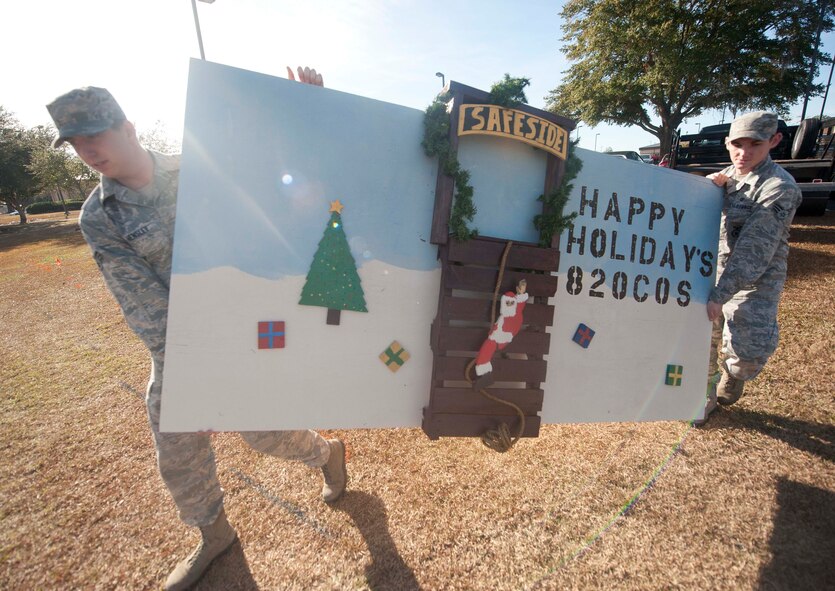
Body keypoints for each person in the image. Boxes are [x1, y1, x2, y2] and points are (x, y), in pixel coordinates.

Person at [46, 67, 346, 591]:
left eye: (95, 135)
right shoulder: (100, 216)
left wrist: (307, 114)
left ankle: (326, 453)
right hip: (181, 343)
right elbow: (141, 302)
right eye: (75, 143)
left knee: (262, 432)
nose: (88, 150)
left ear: (129, 127)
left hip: (249, 323)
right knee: (172, 431)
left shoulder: (203, 168)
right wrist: (198, 378)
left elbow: (281, 182)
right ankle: (214, 534)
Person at [700, 111, 802, 421]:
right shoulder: (727, 177)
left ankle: (735, 375)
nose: (743, 154)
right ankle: (703, 394)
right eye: (737, 145)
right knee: (702, 338)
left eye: (755, 145)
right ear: (727, 142)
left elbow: (754, 252)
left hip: (754, 282)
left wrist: (721, 294)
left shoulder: (779, 188)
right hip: (713, 271)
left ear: (774, 141)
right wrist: (706, 191)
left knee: (746, 351)